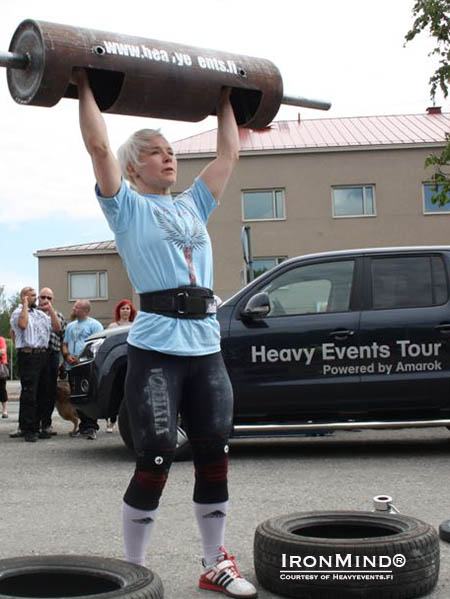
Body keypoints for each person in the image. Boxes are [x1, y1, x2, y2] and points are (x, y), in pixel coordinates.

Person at [74, 68, 257, 598]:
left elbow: (228, 157)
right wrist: (84, 84)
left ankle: (213, 563)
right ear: (135, 167)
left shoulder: (193, 205)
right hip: (155, 348)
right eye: (155, 151)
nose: (168, 156)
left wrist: (226, 97)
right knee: (156, 455)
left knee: (214, 452)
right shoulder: (125, 206)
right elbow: (97, 144)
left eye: (171, 149)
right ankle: (135, 574)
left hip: (205, 345)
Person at [10, 287, 61, 442]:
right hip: (28, 355)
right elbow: (23, 324)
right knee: (29, 393)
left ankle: (39, 426)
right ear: (24, 297)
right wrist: (25, 304)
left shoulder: (40, 314)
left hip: (43, 354)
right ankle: (28, 428)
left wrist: (51, 310)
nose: (37, 298)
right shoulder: (18, 312)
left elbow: (57, 328)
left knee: (44, 392)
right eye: (33, 296)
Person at [62, 299, 103, 440]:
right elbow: (65, 344)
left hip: (87, 366)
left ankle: (91, 427)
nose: (73, 308)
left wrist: (84, 358)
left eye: (77, 307)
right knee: (75, 397)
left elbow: (97, 345)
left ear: (85, 310)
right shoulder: (70, 326)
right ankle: (83, 426)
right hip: (72, 367)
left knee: (88, 395)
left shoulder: (95, 325)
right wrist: (67, 356)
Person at [36, 287, 66, 438]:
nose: (45, 300)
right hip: (36, 355)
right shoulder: (32, 314)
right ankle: (32, 424)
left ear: (52, 300)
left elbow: (59, 330)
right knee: (34, 390)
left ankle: (46, 424)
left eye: (49, 298)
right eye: (43, 297)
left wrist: (50, 311)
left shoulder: (58, 314)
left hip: (52, 354)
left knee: (49, 391)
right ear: (38, 298)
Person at [106, 299, 137, 432]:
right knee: (115, 391)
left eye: (128, 308)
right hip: (116, 364)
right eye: (123, 308)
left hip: (131, 362)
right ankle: (112, 421)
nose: (125, 311)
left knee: (130, 391)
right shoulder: (113, 326)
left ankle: (130, 422)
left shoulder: (135, 325)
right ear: (118, 310)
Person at [0, 336, 8, 418]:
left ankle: (4, 410)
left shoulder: (1, 339)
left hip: (1, 367)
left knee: (2, 389)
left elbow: (2, 351)